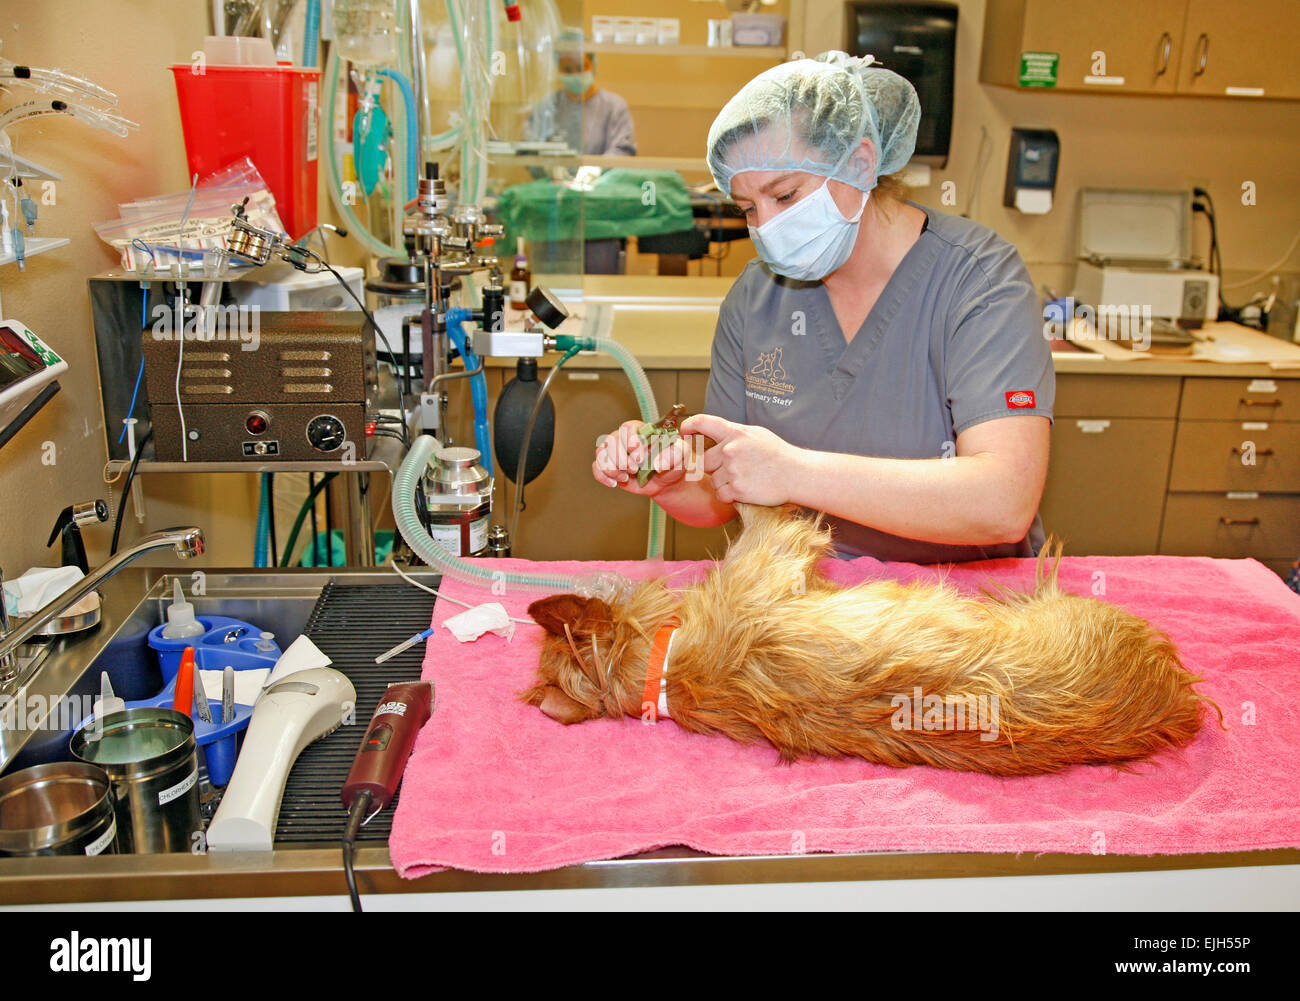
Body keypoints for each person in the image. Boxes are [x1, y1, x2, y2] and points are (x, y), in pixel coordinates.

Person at [592, 52, 1054, 563]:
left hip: (959, 616)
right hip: (806, 608)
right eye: (748, 209)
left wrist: (795, 472)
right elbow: (721, 493)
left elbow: (1003, 501)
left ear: (858, 163)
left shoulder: (977, 280)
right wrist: (668, 480)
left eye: (785, 196)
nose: (765, 226)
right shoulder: (756, 298)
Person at [523, 30, 636, 157]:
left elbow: (622, 150)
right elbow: (529, 149)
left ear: (593, 64)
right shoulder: (547, 106)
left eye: (581, 67)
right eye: (567, 69)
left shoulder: (614, 106)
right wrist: (548, 167)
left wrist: (595, 170)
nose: (575, 74)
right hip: (553, 177)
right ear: (558, 69)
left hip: (600, 177)